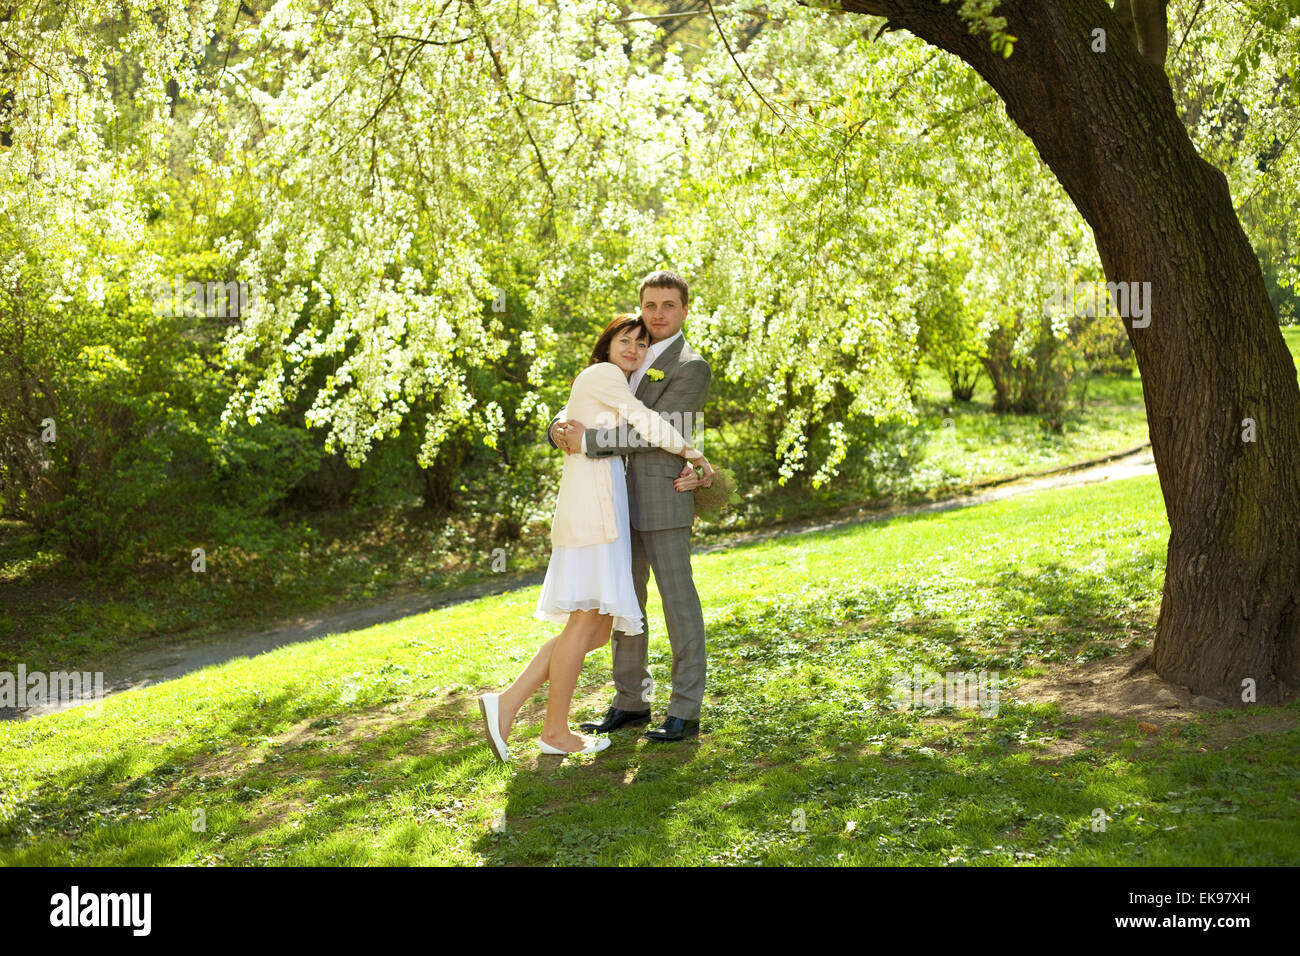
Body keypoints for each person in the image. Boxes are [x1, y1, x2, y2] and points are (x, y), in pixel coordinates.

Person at [478, 312, 714, 758]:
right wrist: (692, 450)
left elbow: (591, 418)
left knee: (595, 631)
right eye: (624, 340)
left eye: (640, 345)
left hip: (604, 508)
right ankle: (554, 732)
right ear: (606, 344)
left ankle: (506, 702)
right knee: (584, 622)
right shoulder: (606, 373)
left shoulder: (623, 375)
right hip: (593, 510)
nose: (633, 349)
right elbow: (643, 420)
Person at [551, 269, 713, 744]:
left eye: (668, 305)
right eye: (650, 305)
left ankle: (685, 708)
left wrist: (587, 442)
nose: (658, 314)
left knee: (678, 605)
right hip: (613, 503)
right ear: (640, 308)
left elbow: (658, 428)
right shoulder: (626, 354)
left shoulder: (691, 365)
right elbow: (585, 402)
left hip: (665, 499)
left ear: (685, 309)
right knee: (627, 607)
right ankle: (630, 700)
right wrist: (558, 429)